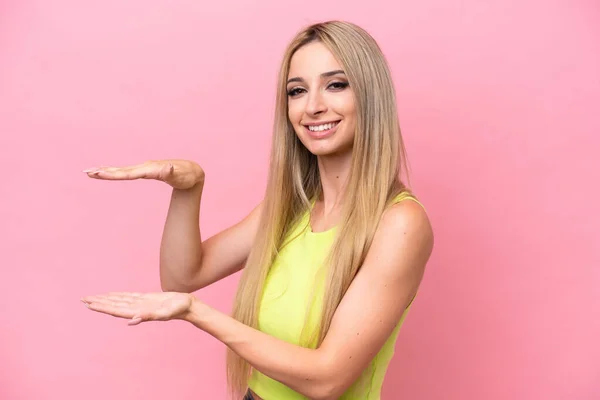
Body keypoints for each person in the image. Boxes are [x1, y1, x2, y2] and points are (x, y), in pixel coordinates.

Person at [81, 20, 434, 400]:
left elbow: (327, 380)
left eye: (336, 84)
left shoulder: (400, 224)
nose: (313, 107)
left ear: (370, 96)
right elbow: (181, 277)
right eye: (297, 91)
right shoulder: (288, 209)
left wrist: (196, 313)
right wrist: (188, 190)